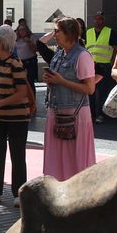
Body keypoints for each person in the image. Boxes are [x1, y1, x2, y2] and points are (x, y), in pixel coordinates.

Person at [0, 25, 32, 207]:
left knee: (17, 154)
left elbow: (21, 93)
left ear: (1, 43)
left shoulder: (16, 64)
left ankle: (19, 192)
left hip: (17, 117)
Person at [41, 17, 97, 181]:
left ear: (69, 33)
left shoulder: (82, 56)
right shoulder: (59, 54)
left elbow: (89, 89)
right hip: (57, 112)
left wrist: (61, 81)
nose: (54, 34)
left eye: (57, 31)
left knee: (76, 161)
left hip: (75, 116)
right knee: (56, 159)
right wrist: (51, 80)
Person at [83, 12, 117, 123]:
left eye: (100, 19)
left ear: (103, 21)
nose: (98, 21)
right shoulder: (87, 33)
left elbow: (116, 48)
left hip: (104, 66)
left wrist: (113, 63)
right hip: (91, 66)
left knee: (103, 92)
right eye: (96, 19)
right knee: (91, 92)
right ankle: (91, 114)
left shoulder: (110, 32)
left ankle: (101, 115)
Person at [13, 23, 39, 87]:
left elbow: (35, 50)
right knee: (21, 82)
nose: (22, 31)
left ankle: (32, 96)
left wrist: (29, 42)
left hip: (30, 61)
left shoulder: (32, 37)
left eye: (23, 30)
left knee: (30, 81)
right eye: (20, 30)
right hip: (21, 62)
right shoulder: (17, 39)